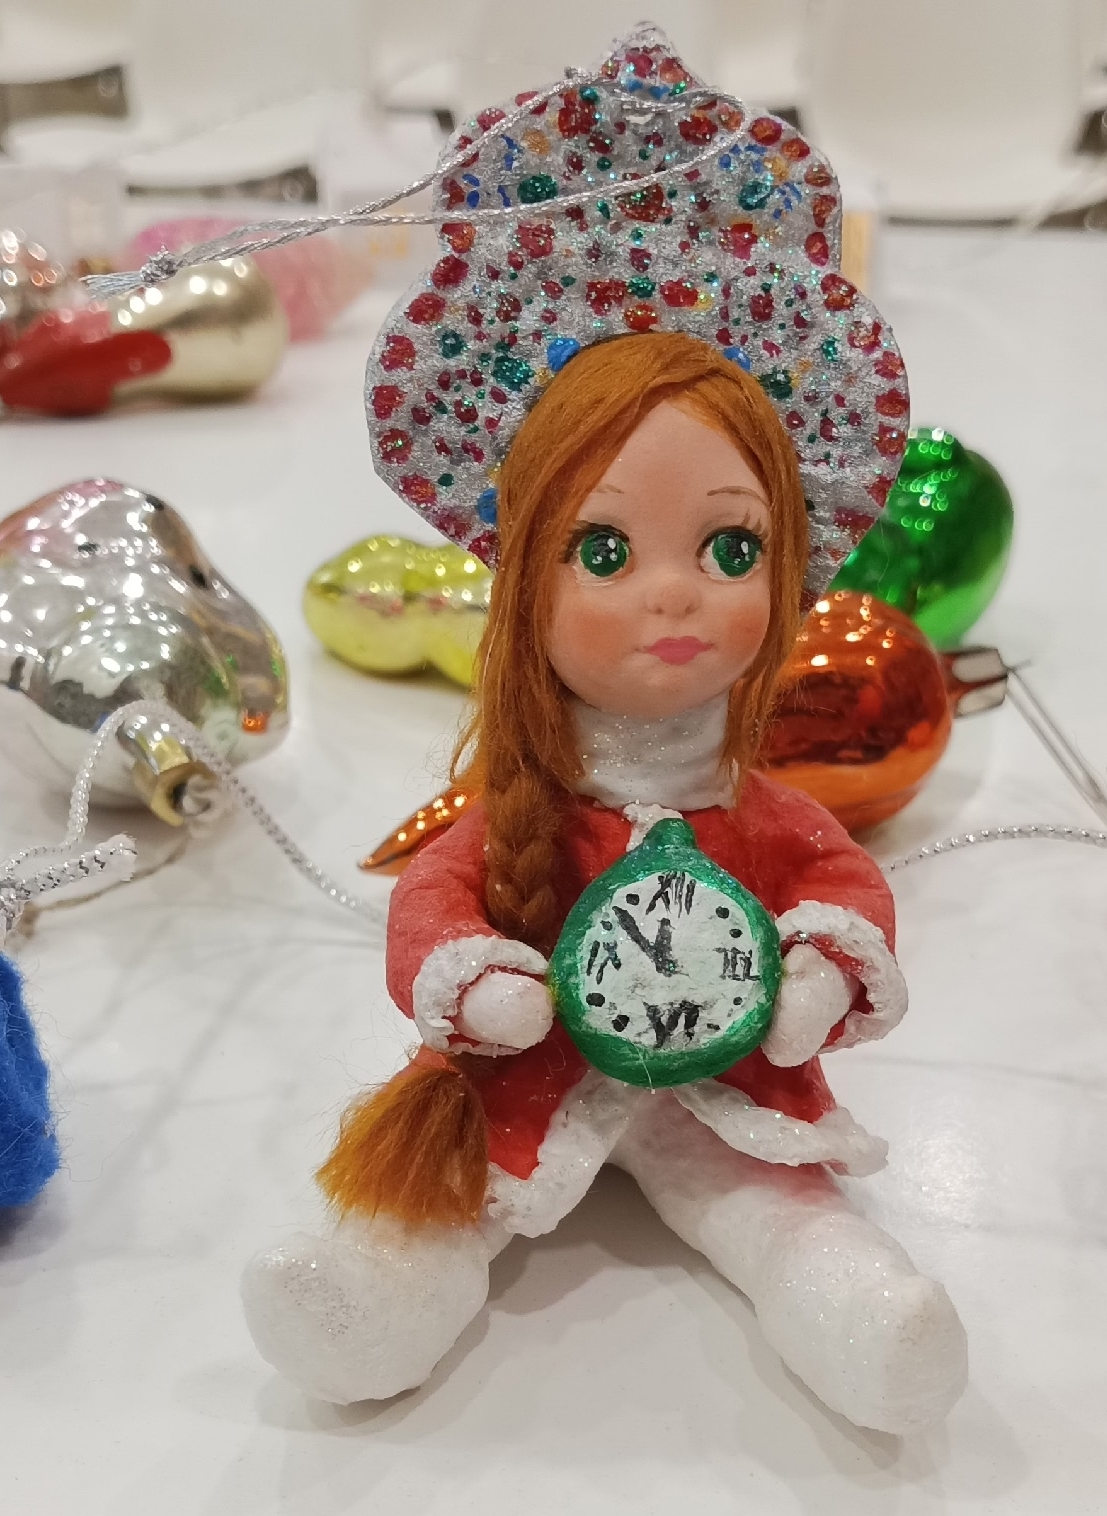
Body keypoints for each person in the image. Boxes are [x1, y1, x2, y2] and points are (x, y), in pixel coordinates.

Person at [244, 331, 967, 1433]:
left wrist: (818, 972)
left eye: (730, 549)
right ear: (524, 573)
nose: (672, 596)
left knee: (783, 1210)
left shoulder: (765, 817)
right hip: (529, 1073)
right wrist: (482, 984)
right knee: (444, 1199)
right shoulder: (518, 816)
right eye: (604, 549)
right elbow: (433, 897)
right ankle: (370, 1299)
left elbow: (842, 879)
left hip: (724, 1082)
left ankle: (868, 1322)